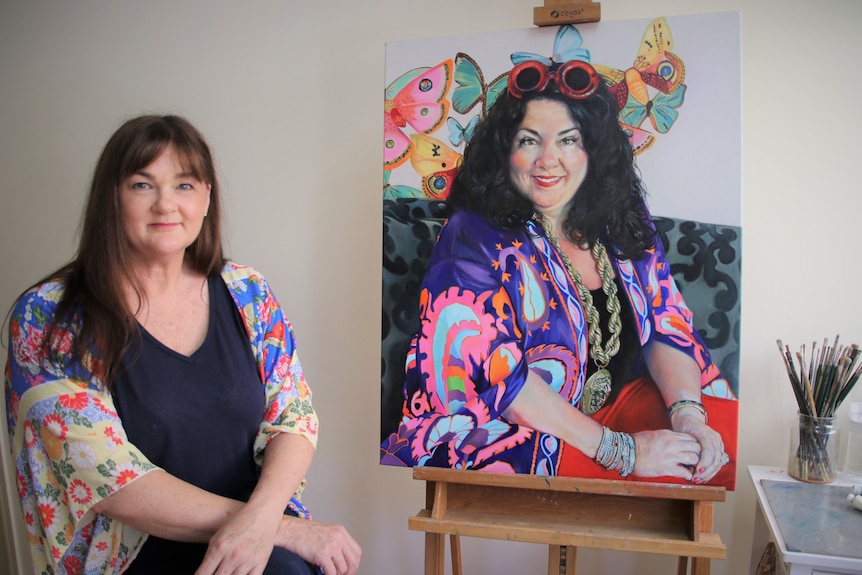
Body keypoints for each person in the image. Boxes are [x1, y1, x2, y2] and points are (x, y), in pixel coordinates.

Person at [4, 115, 361, 574]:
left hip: (258, 541)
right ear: (110, 198)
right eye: (142, 185)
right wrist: (278, 527)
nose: (165, 205)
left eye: (185, 185)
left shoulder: (247, 291)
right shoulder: (49, 317)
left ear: (208, 197)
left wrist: (264, 520)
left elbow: (293, 417)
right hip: (136, 557)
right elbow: (109, 476)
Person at [380, 59, 737, 486]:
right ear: (504, 148)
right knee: (663, 476)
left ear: (595, 149)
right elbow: (504, 384)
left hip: (620, 411)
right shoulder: (471, 235)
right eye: (529, 140)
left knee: (719, 449)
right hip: (515, 429)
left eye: (569, 141)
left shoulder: (622, 217)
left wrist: (688, 415)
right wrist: (623, 452)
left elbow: (666, 323)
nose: (548, 161)